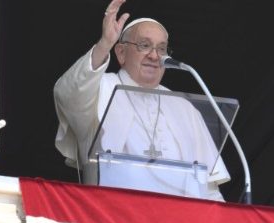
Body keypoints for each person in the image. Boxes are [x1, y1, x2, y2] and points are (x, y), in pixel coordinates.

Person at [53, 0, 229, 200]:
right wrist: (105, 44)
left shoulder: (184, 107)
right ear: (120, 52)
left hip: (182, 222)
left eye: (162, 49)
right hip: (113, 216)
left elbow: (209, 188)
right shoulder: (101, 88)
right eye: (144, 45)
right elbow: (68, 94)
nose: (155, 56)